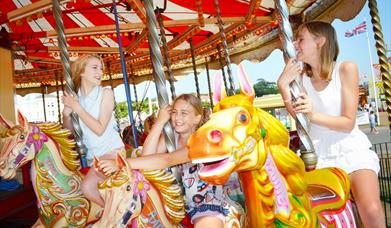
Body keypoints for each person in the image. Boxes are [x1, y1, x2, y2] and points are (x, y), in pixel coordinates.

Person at [277, 21, 385, 227]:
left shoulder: (345, 69)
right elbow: (299, 115)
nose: (295, 44)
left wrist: (313, 114)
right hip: (319, 152)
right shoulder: (301, 78)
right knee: (319, 216)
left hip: (350, 147)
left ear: (320, 41)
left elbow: (348, 122)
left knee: (371, 209)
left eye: (301, 39)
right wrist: (283, 86)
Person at [98, 94, 239, 227]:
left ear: (197, 118)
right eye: (174, 112)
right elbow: (147, 155)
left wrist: (121, 163)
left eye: (184, 113)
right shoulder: (171, 139)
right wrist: (160, 122)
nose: (177, 118)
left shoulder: (201, 142)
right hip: (174, 204)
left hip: (205, 203)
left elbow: (168, 160)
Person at [62, 54, 125, 207]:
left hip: (111, 152)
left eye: (101, 69)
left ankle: (121, 215)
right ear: (82, 71)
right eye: (95, 67)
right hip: (93, 157)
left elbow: (99, 129)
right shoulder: (78, 99)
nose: (100, 72)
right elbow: (69, 133)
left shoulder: (106, 93)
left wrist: (77, 108)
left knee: (88, 188)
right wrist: (66, 114)